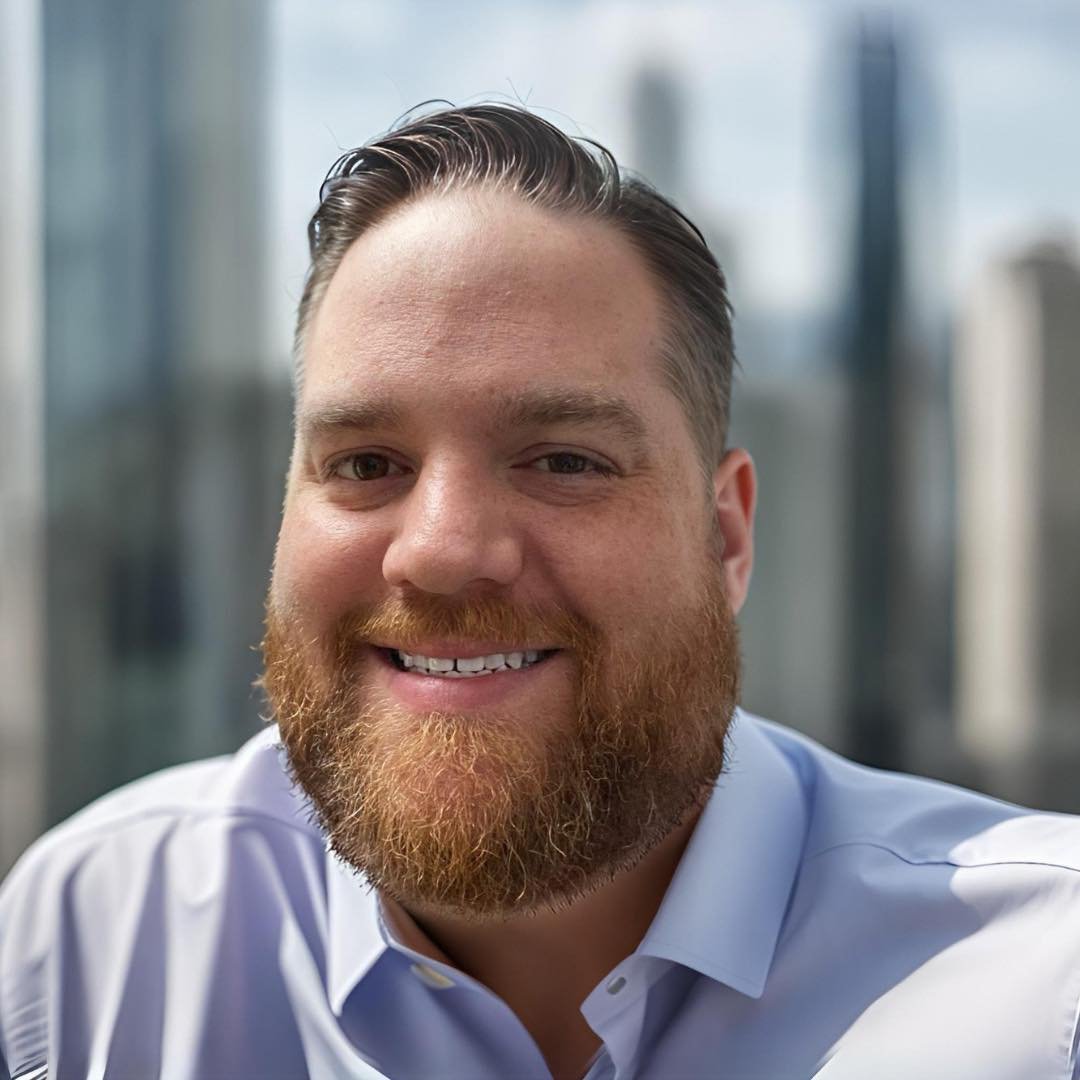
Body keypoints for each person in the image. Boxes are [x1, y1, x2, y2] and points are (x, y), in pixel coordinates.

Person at [2, 103, 1079, 1080]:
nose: (441, 551)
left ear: (727, 535)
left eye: (563, 460)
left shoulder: (1042, 996)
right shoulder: (89, 951)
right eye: (367, 464)